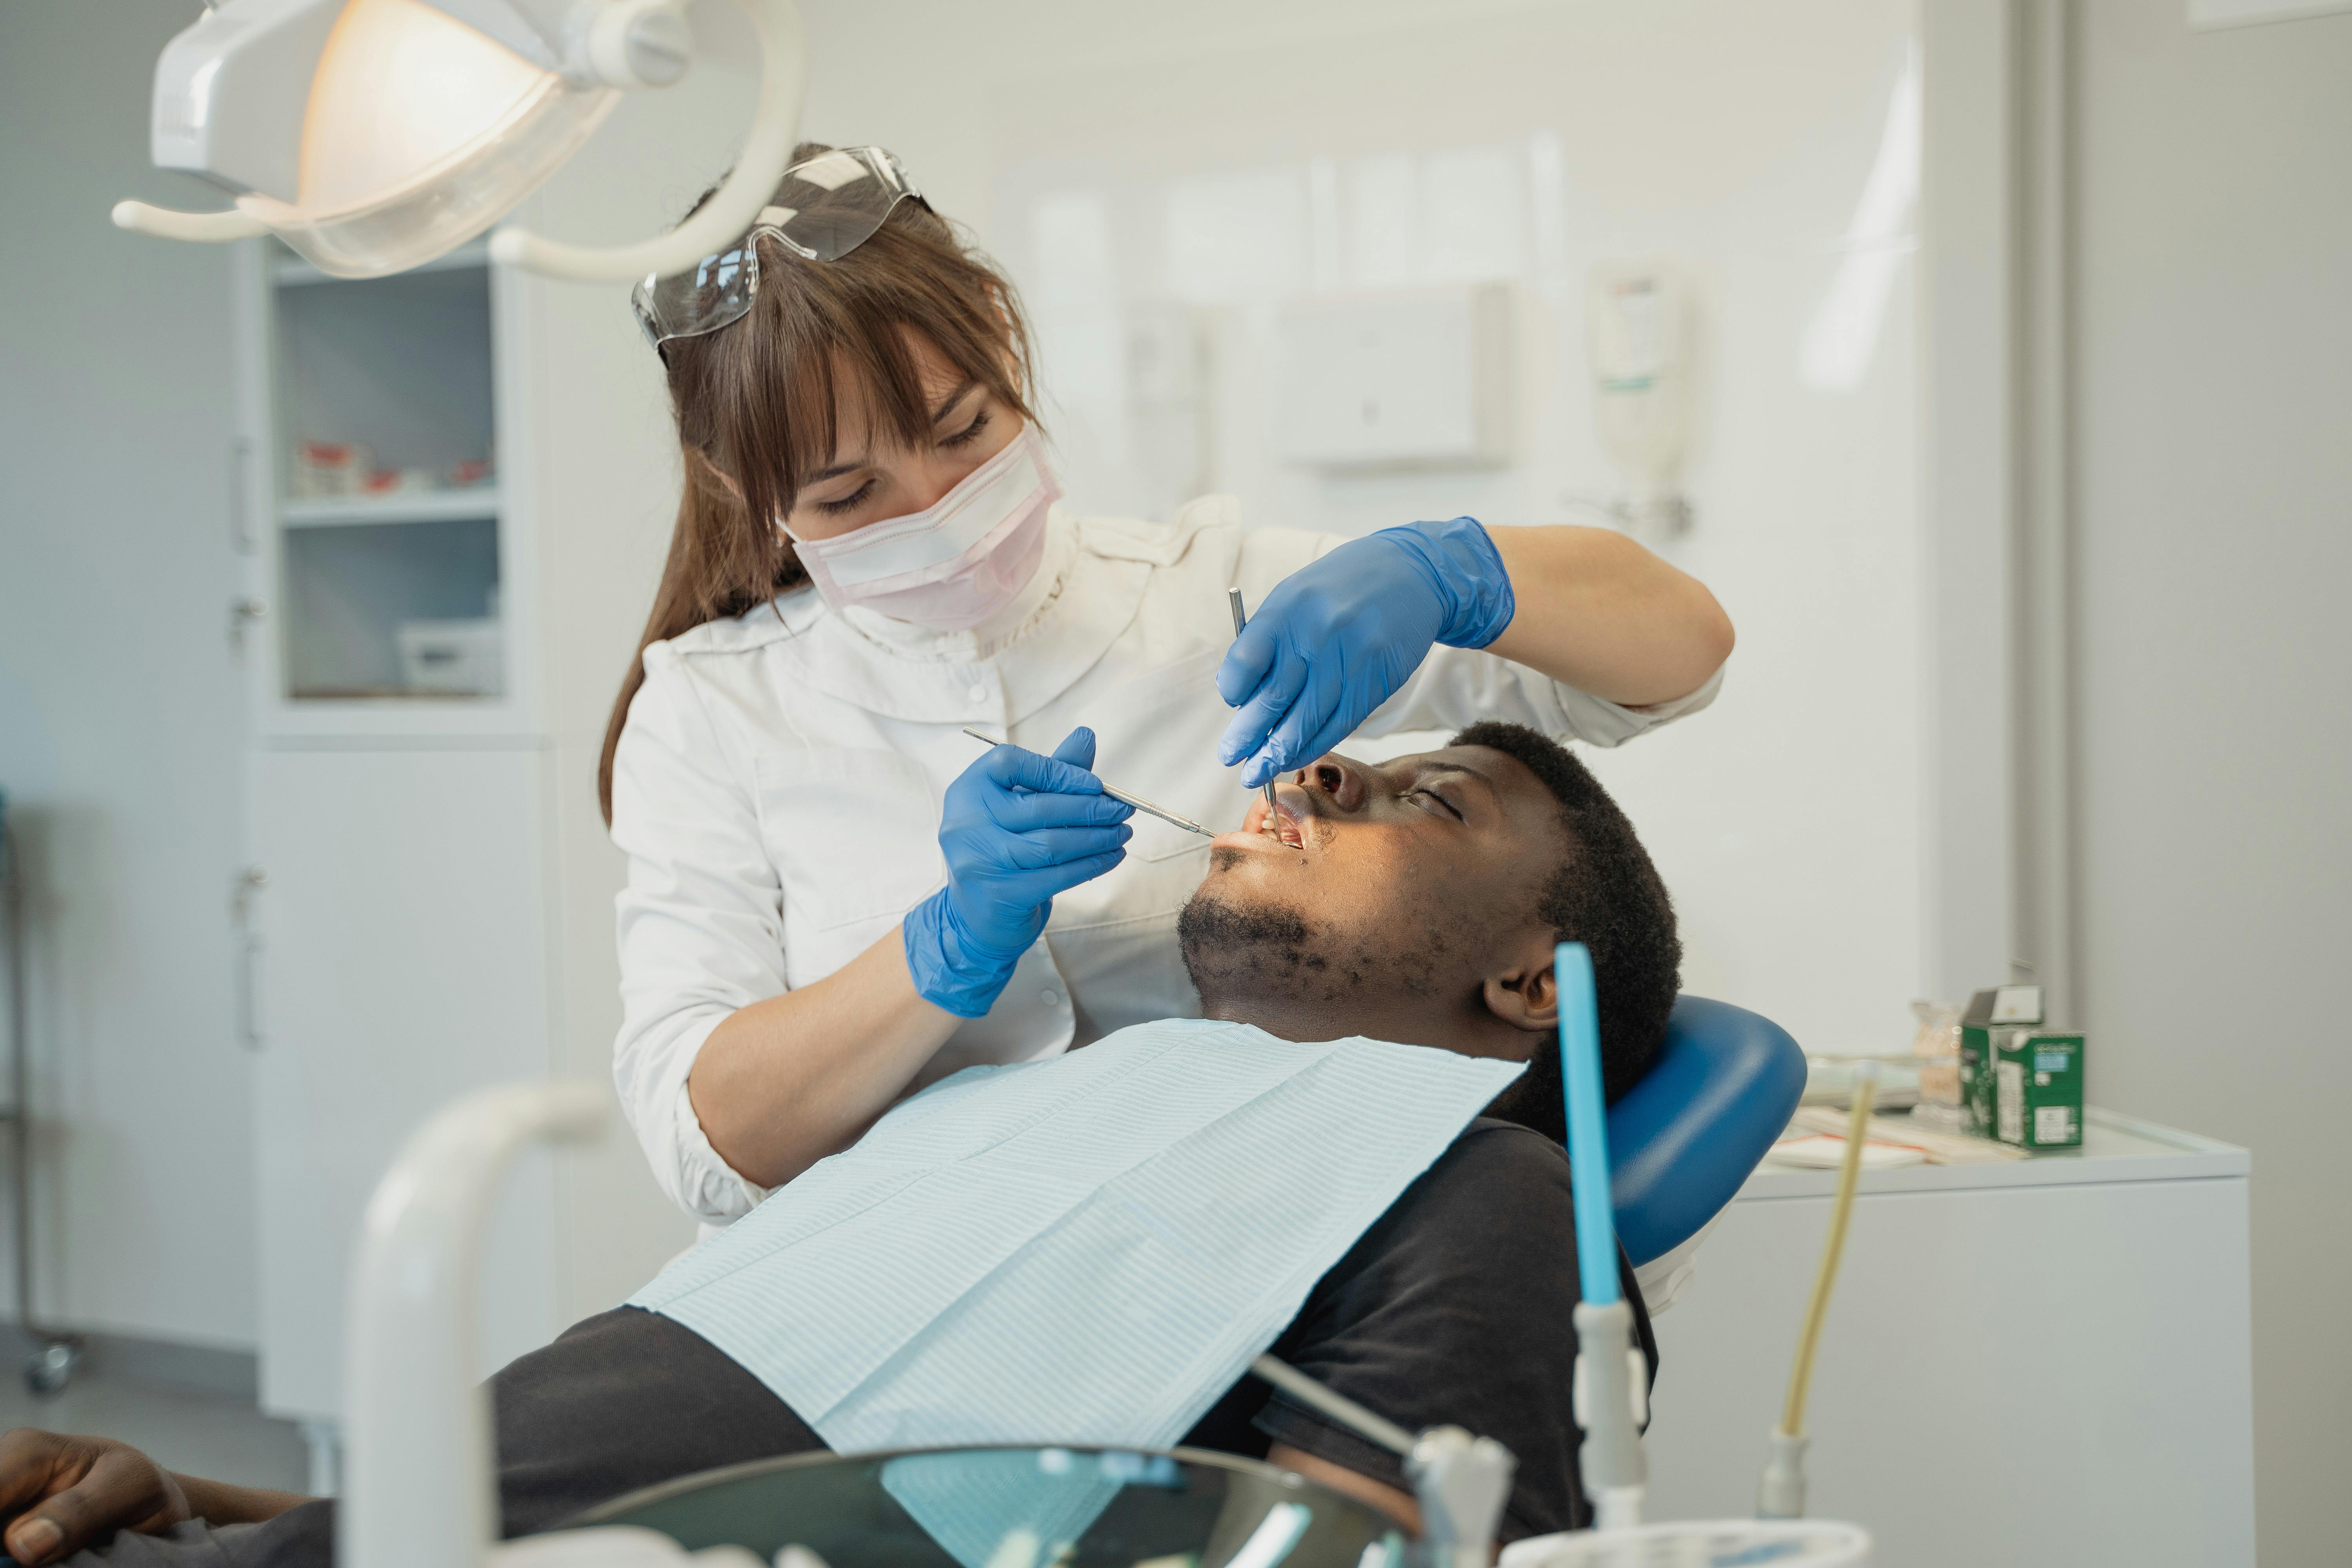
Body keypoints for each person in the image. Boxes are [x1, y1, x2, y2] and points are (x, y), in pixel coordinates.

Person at [0, 724, 1679, 1567]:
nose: (1322, 768)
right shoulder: (1029, 1098)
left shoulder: (1485, 1196)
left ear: (1531, 979)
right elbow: (618, 1499)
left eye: (1431, 799)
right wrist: (205, 1512)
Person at [606, 144, 1734, 1224]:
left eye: (961, 431)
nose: (934, 513)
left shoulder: (1220, 596)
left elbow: (1674, 662)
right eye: (849, 498)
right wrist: (939, 949)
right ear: (736, 481)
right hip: (863, 1298)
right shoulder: (711, 714)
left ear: (1002, 340)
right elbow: (706, 1148)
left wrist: (1458, 569)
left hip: (1209, 1268)